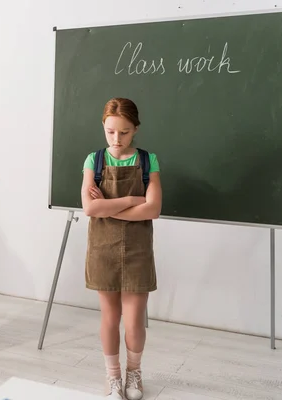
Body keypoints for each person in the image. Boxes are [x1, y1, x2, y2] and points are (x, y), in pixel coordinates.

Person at [81, 98, 162, 400]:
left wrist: (108, 206)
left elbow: (153, 210)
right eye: (111, 131)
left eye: (124, 133)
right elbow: (90, 208)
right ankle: (113, 376)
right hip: (103, 248)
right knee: (109, 317)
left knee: (134, 318)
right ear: (104, 127)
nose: (117, 139)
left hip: (138, 250)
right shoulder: (94, 161)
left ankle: (135, 372)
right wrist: (131, 200)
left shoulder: (148, 160)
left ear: (135, 129)